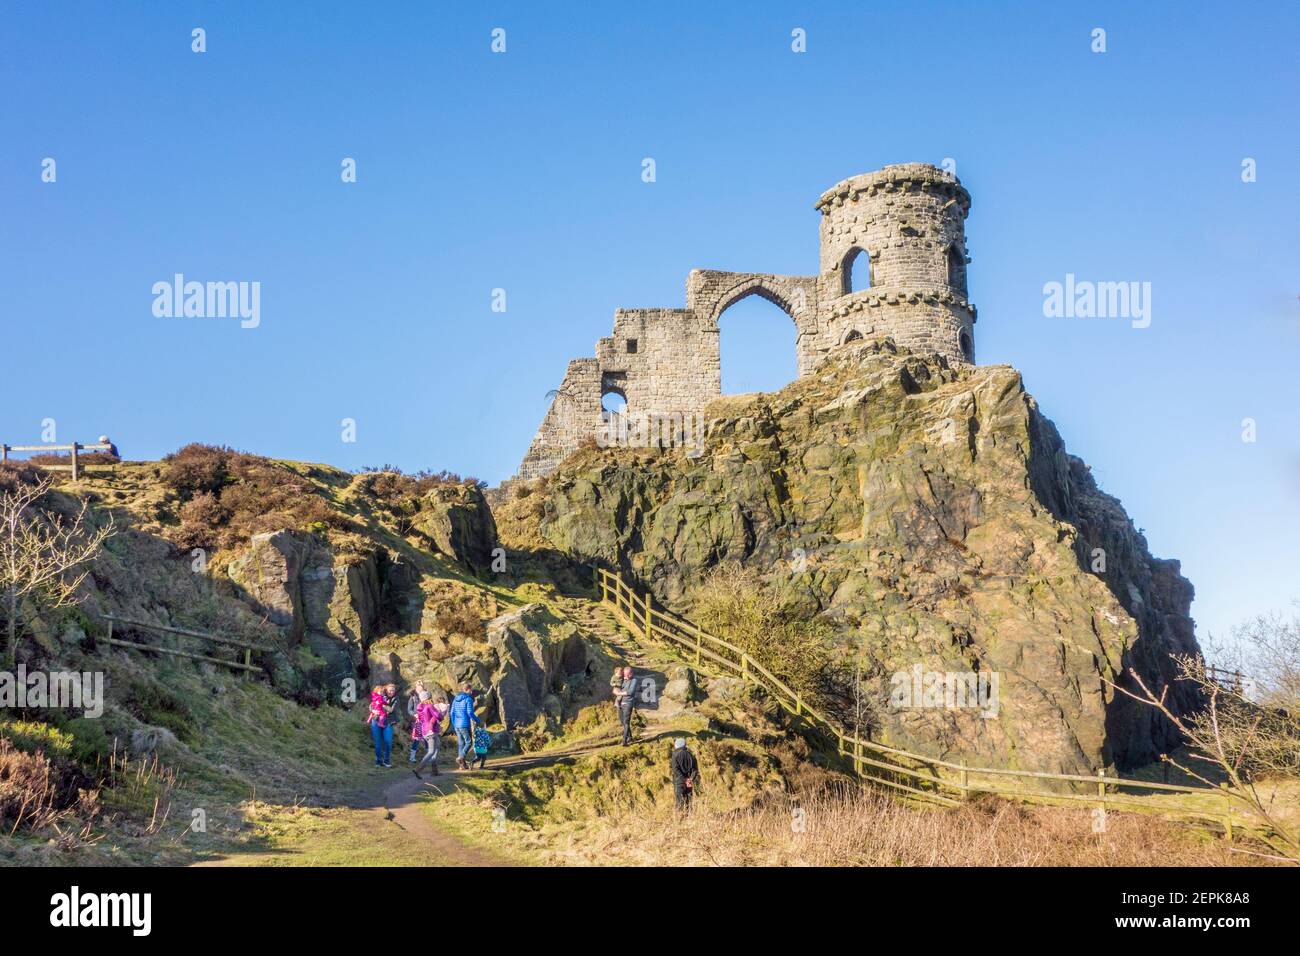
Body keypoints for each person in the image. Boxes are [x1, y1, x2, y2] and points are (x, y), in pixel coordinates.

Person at [411, 690, 446, 779]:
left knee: (437, 746)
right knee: (431, 752)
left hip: (425, 731)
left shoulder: (420, 708)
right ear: (428, 698)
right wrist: (441, 713)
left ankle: (435, 771)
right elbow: (439, 716)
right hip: (431, 731)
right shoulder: (429, 706)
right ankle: (418, 769)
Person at [449, 684, 483, 771]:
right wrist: (478, 721)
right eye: (471, 690)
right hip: (464, 724)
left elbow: (451, 713)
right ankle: (461, 757)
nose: (471, 692)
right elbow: (470, 713)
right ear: (468, 690)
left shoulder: (455, 699)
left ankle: (462, 765)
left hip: (457, 724)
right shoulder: (468, 699)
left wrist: (454, 723)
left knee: (461, 744)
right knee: (468, 742)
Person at [366, 684, 398, 768]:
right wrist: (373, 710)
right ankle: (378, 761)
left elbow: (391, 710)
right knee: (377, 742)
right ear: (386, 690)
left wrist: (382, 705)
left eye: (393, 690)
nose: (391, 692)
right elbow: (371, 706)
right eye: (390, 690)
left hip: (388, 722)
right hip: (376, 720)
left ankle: (386, 761)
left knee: (387, 742)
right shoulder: (379, 695)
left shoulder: (395, 699)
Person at [671, 738, 700, 812]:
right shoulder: (691, 755)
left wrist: (683, 779)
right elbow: (695, 770)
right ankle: (689, 819)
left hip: (679, 781)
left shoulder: (675, 755)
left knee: (679, 802)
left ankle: (680, 820)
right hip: (689, 781)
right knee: (689, 801)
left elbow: (675, 769)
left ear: (676, 745)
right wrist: (690, 779)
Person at [616, 666, 637, 746]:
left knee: (626, 722)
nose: (625, 676)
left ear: (631, 674)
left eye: (626, 675)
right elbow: (616, 688)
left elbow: (630, 692)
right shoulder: (623, 680)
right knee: (622, 721)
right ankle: (630, 737)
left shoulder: (634, 680)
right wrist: (616, 691)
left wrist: (619, 693)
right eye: (624, 674)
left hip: (628, 703)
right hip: (620, 703)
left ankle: (624, 741)